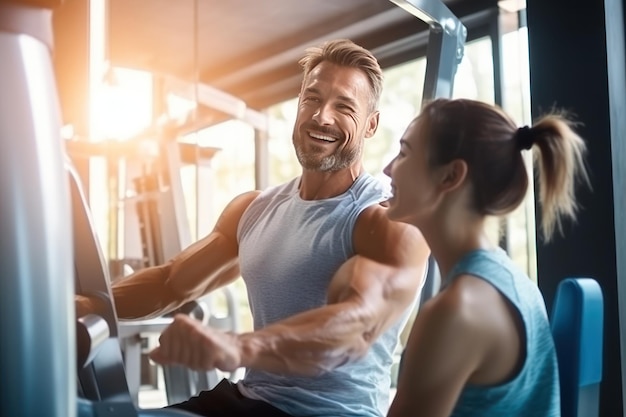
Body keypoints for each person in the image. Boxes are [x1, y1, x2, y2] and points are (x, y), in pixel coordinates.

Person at [76, 38, 430, 417]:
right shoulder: (254, 209)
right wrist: (80, 305)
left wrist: (237, 346)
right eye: (312, 99)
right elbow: (171, 283)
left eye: (344, 106)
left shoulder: (381, 220)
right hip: (248, 398)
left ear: (371, 125)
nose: (322, 116)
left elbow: (360, 327)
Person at [383, 98, 590, 417]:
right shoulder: (510, 280)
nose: (388, 168)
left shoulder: (457, 310)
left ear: (450, 176)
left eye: (404, 152)